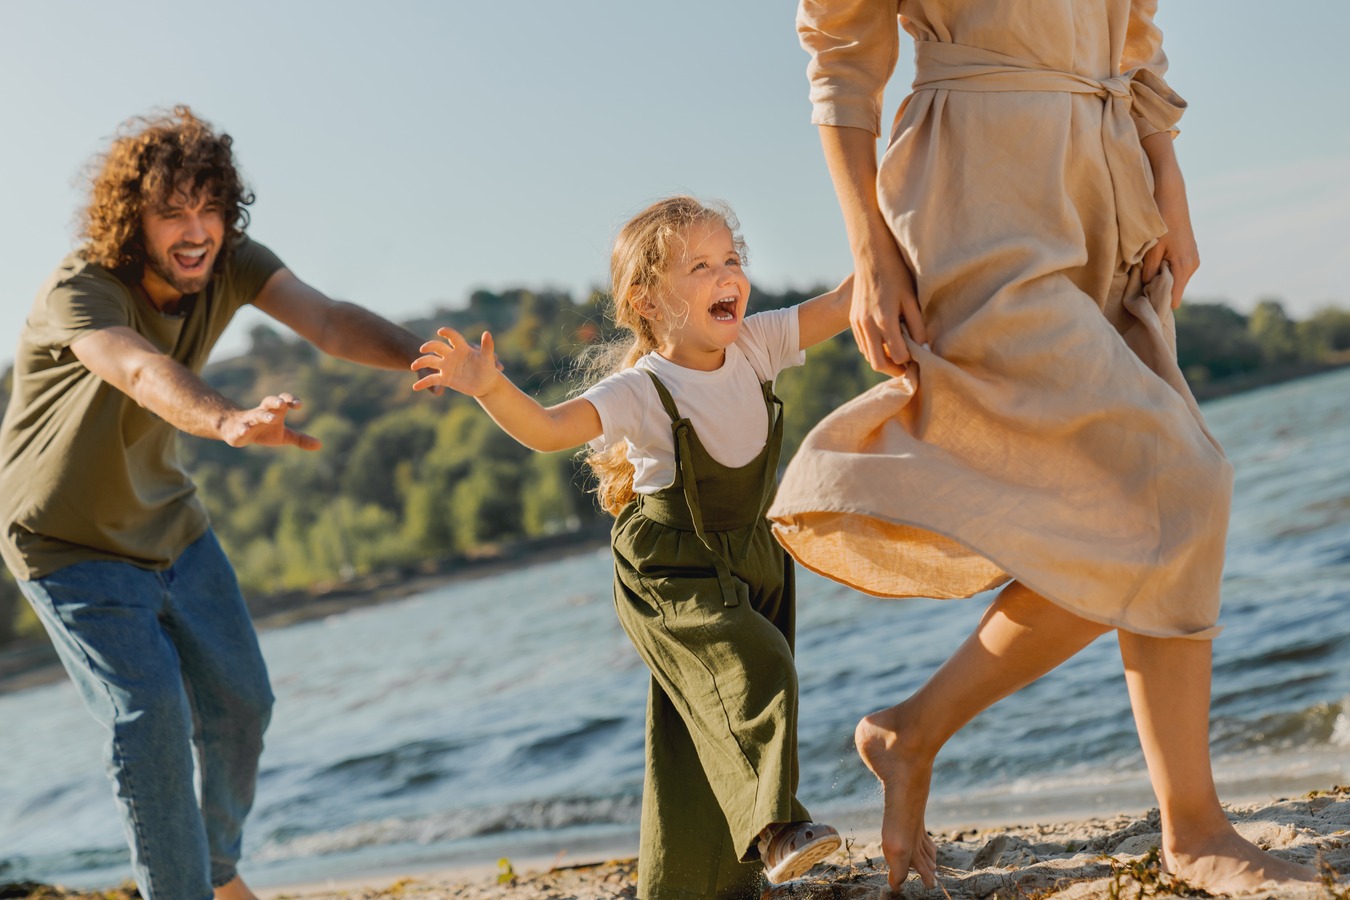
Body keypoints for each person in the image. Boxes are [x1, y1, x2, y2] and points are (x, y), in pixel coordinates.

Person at [768, 1, 1322, 894]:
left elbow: (1132, 27)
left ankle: (915, 732)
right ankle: (1192, 832)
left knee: (1151, 509)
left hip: (1106, 181)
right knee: (1180, 485)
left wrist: (1164, 168)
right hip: (974, 190)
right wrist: (867, 246)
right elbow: (840, 51)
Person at [0, 106, 435, 900]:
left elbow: (330, 321)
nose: (196, 230)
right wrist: (228, 420)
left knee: (243, 703)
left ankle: (217, 869)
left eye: (209, 207)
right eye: (172, 212)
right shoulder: (79, 289)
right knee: (150, 717)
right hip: (65, 544)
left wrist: (431, 359)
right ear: (130, 221)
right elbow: (137, 371)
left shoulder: (231, 262)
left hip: (169, 525)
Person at [412, 196, 852, 899]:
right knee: (756, 670)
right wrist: (490, 387)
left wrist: (905, 233)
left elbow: (846, 301)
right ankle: (777, 829)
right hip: (672, 574)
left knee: (700, 728)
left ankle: (691, 886)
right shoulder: (643, 390)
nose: (726, 275)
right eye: (701, 265)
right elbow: (552, 429)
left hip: (752, 558)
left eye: (732, 259)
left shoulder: (759, 344)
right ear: (646, 300)